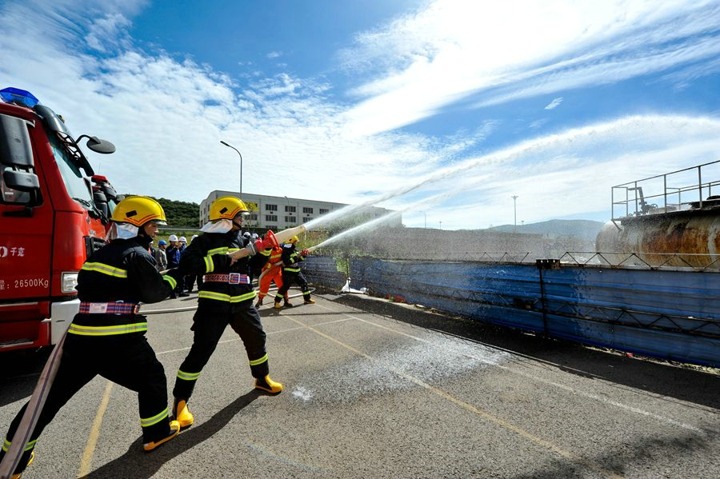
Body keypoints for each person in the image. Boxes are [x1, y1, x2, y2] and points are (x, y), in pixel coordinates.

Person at [0, 196, 183, 478]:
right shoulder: (137, 254)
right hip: (120, 340)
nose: (156, 231)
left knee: (48, 398)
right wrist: (176, 277)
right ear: (139, 226)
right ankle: (156, 433)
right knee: (153, 378)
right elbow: (154, 292)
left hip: (81, 339)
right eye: (153, 225)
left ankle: (14, 457)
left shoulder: (97, 256)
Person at [171, 196, 281, 429]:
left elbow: (252, 267)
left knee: (257, 338)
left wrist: (264, 251)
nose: (242, 220)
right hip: (214, 305)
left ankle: (262, 378)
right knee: (200, 351)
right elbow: (188, 266)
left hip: (242, 304)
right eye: (239, 215)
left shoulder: (243, 238)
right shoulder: (203, 241)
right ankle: (180, 402)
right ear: (227, 216)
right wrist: (220, 261)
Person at [274, 236, 315, 309]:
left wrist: (303, 256)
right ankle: (277, 302)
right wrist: (297, 256)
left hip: (296, 271)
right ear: (291, 242)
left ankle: (307, 299)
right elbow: (287, 262)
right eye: (295, 242)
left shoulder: (294, 250)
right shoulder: (285, 251)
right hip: (288, 272)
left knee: (304, 283)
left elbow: (298, 260)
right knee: (285, 287)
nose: (296, 243)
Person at [255, 243, 288, 307]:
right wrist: (268, 265)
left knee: (282, 286)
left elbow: (282, 259)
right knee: (264, 287)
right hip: (267, 272)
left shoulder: (280, 250)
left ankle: (286, 300)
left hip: (277, 271)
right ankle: (260, 300)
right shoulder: (265, 251)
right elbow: (262, 261)